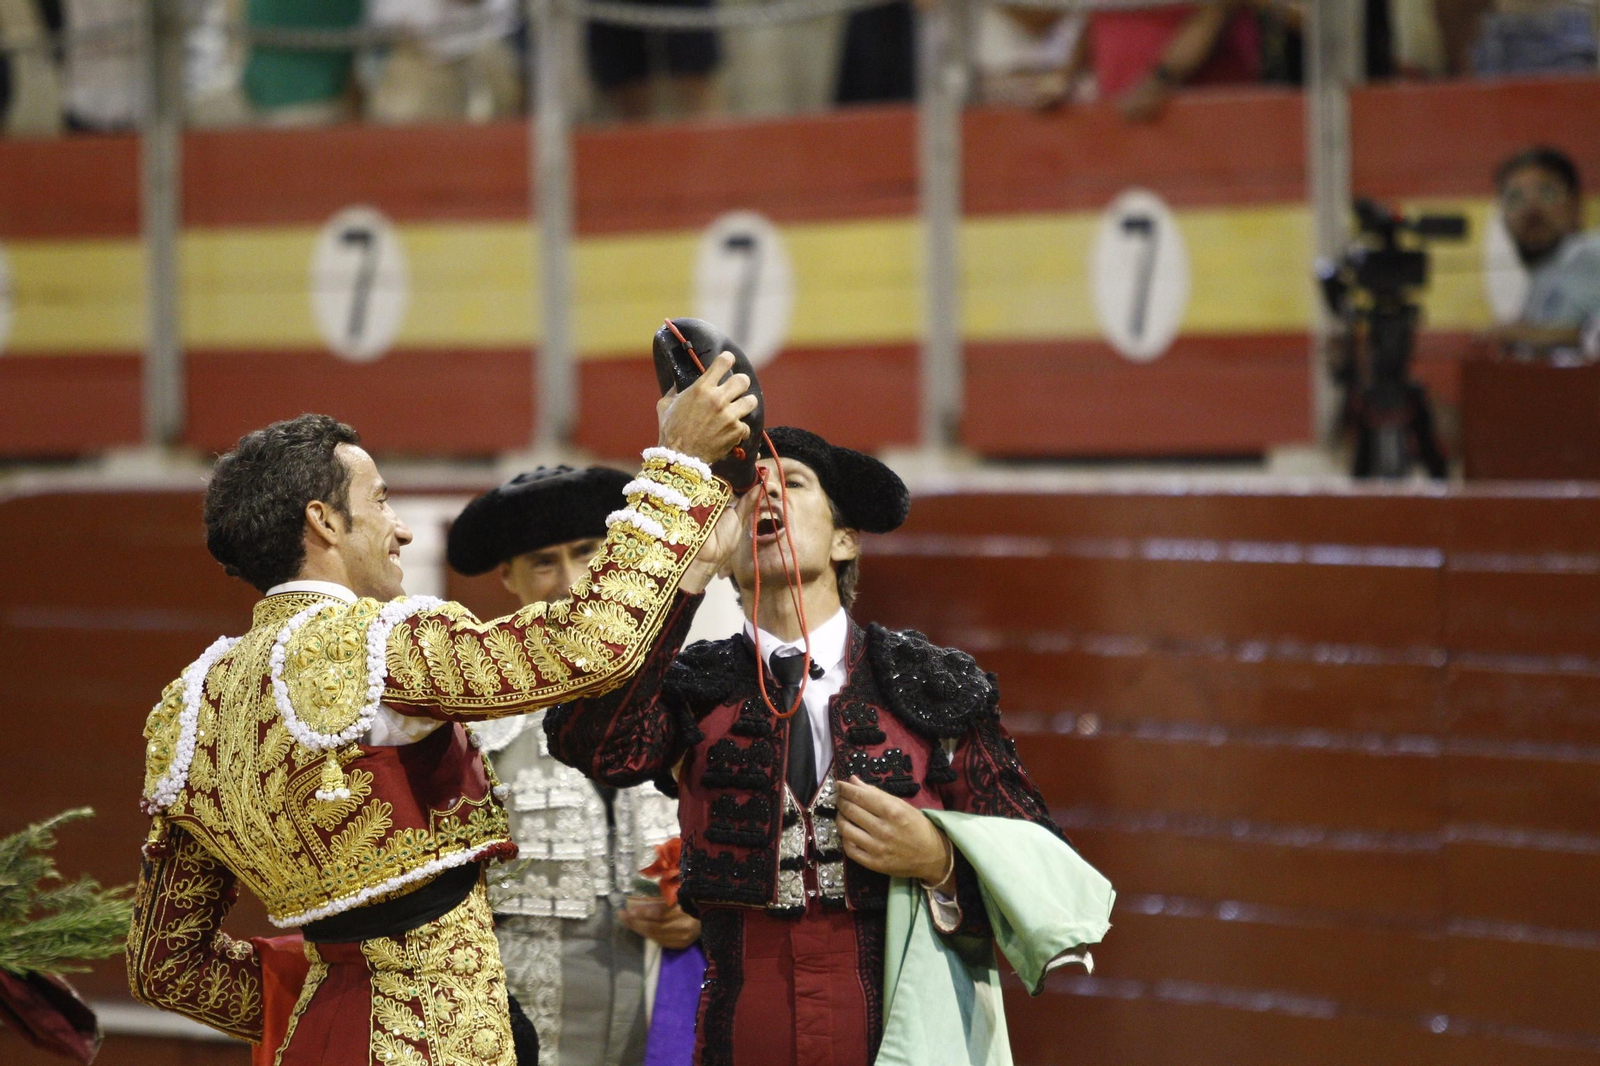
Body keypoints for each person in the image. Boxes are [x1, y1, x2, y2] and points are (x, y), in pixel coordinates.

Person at [125, 354, 759, 1066]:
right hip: (440, 1040)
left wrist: (324, 1002)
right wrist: (677, 462)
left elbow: (165, 968)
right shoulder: (376, 644)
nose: (401, 530)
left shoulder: (189, 705)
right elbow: (591, 647)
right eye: (382, 500)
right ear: (324, 522)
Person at [545, 427, 1091, 1066]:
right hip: (741, 1034)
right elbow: (593, 743)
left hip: (903, 1032)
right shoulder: (691, 686)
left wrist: (940, 862)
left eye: (793, 482)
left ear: (844, 538)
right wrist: (682, 578)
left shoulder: (930, 681)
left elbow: (1041, 862)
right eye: (744, 491)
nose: (765, 492)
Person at [447, 465, 702, 1066]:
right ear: (507, 575)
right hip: (522, 1033)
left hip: (664, 1017)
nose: (569, 582)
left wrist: (702, 916)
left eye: (587, 553)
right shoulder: (474, 721)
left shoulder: (685, 697)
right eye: (543, 562)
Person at [1485, 146, 1600, 362]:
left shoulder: (1593, 253)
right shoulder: (1542, 275)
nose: (1531, 209)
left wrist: (1538, 335)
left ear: (1575, 204)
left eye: (1547, 193)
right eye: (1515, 198)